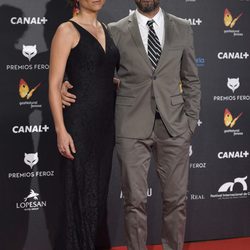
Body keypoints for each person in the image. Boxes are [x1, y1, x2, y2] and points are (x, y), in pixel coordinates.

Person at [61, 0, 201, 249]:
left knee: (176, 200)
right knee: (134, 201)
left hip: (174, 126)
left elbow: (191, 79)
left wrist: (190, 122)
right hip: (130, 126)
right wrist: (66, 82)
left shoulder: (183, 27)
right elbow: (95, 70)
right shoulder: (115, 29)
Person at [48, 0, 119, 249]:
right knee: (79, 194)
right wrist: (60, 130)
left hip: (106, 127)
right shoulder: (66, 30)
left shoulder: (106, 29)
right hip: (79, 125)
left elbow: (102, 74)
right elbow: (55, 85)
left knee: (97, 196)